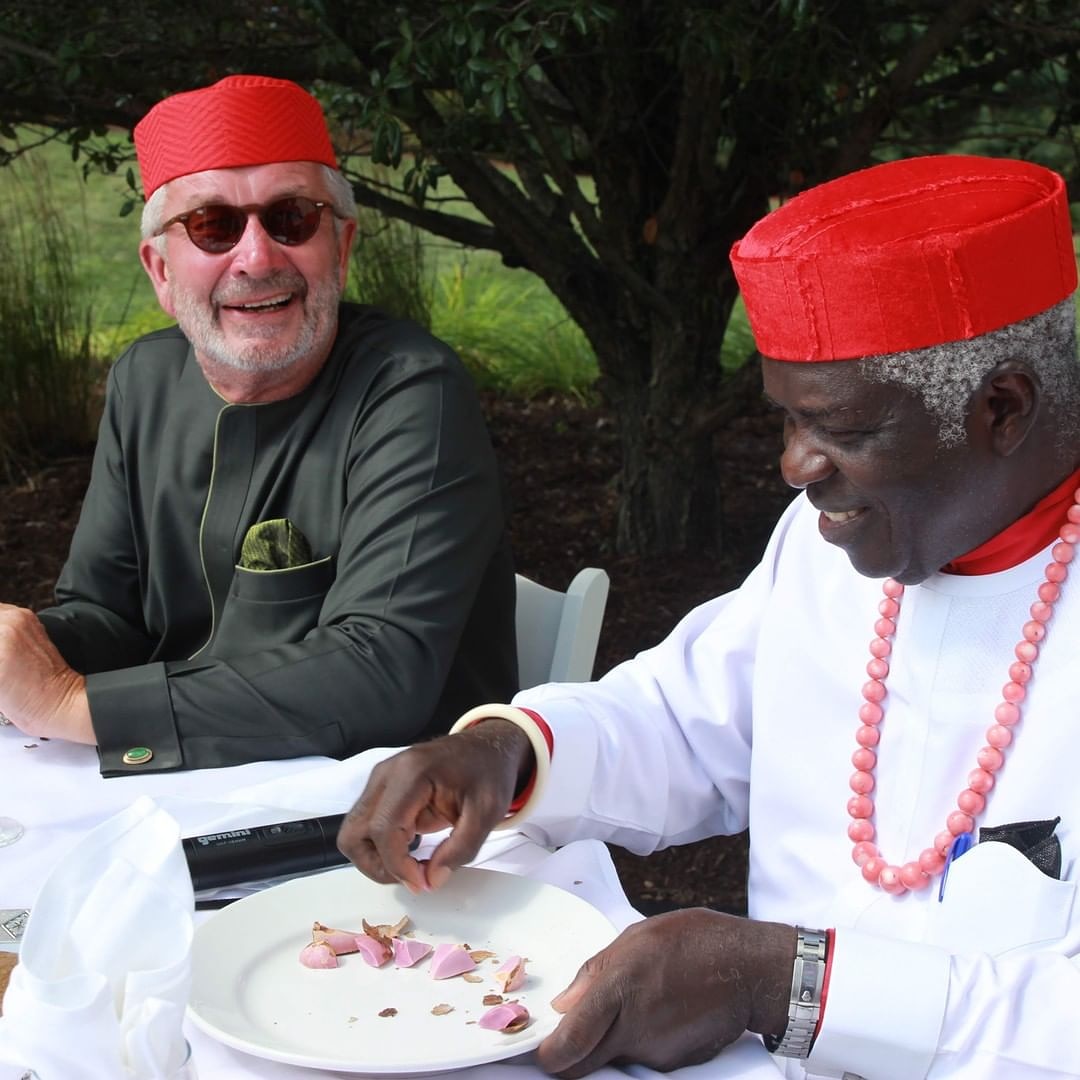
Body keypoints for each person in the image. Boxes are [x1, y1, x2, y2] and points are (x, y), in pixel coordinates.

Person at [338, 155, 1080, 1080]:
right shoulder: (825, 542)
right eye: (785, 421)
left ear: (1002, 408)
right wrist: (508, 750)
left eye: (842, 429)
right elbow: (683, 721)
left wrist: (777, 984)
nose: (796, 467)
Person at [0, 75, 518, 776]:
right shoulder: (142, 381)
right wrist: (20, 656)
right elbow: (107, 616)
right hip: (189, 784)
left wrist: (72, 704)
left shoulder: (410, 390)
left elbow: (382, 673)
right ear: (159, 267)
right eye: (213, 225)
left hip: (386, 813)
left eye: (293, 218)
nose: (258, 257)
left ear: (341, 247)